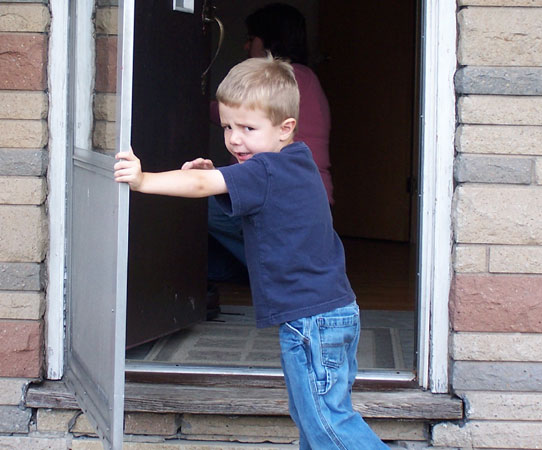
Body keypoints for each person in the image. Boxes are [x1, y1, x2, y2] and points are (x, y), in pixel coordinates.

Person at [114, 56, 388, 450]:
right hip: (332, 314)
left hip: (310, 322)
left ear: (285, 128)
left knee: (328, 423)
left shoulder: (265, 171)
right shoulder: (298, 161)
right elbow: (230, 185)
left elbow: (196, 186)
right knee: (315, 418)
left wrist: (143, 180)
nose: (234, 139)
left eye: (248, 128)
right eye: (227, 126)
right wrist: (214, 176)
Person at [187, 3, 333, 288]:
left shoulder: (284, 82)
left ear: (269, 41)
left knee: (196, 203)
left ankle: (270, 270)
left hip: (282, 206)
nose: (244, 45)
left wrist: (186, 99)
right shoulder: (308, 78)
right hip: (311, 205)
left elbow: (223, 112)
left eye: (251, 38)